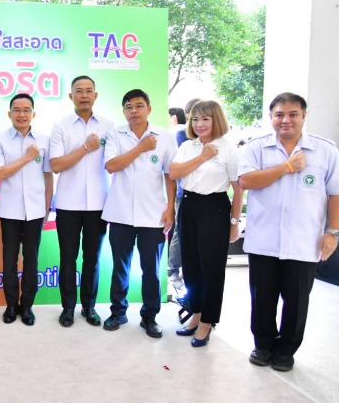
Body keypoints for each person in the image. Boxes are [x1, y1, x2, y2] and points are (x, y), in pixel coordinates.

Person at [239, 92, 339, 371]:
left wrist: (332, 232)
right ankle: (263, 345)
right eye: (279, 115)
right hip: (264, 240)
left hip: (304, 241)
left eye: (292, 114)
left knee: (297, 300)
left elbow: (338, 193)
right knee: (262, 297)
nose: (285, 120)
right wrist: (286, 167)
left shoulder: (325, 151)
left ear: (304, 116)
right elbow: (247, 180)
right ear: (271, 117)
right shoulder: (256, 148)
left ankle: (286, 349)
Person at [102, 89, 177, 338]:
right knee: (120, 267)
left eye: (139, 105)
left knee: (151, 270)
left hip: (153, 215)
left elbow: (170, 175)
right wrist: (141, 147)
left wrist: (170, 208)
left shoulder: (165, 137)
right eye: (128, 107)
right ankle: (118, 311)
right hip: (121, 213)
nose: (133, 110)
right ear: (124, 111)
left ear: (149, 108)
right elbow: (111, 166)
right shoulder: (115, 134)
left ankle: (150, 316)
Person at [169, 100, 243, 346]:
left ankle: (207, 322)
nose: (199, 124)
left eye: (205, 119)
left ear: (216, 120)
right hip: (188, 206)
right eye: (196, 119)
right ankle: (196, 313)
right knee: (190, 265)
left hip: (215, 207)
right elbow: (175, 173)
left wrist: (234, 221)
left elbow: (238, 189)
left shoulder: (228, 149)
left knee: (211, 268)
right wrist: (202, 157)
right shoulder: (189, 146)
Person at [50, 75, 114, 327]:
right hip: (67, 203)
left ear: (96, 96)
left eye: (89, 91)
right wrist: (86, 148)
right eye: (79, 91)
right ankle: (67, 307)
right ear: (71, 96)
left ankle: (89, 307)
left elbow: (113, 164)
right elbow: (56, 165)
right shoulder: (61, 127)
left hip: (99, 204)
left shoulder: (110, 126)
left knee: (93, 258)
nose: (84, 95)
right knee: (67, 257)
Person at [0, 93, 52, 325]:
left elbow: (48, 175)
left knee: (31, 260)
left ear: (33, 114)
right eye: (16, 110)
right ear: (9, 114)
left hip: (36, 210)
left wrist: (47, 205)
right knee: (9, 259)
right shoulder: (0, 140)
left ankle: (27, 306)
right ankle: (10, 306)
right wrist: (27, 157)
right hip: (9, 210)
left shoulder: (44, 140)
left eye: (26, 110)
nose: (21, 114)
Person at [166, 100, 197, 294]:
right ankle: (173, 268)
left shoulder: (218, 142)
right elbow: (175, 169)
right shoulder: (180, 135)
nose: (200, 121)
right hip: (182, 193)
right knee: (179, 231)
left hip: (207, 199)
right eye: (195, 115)